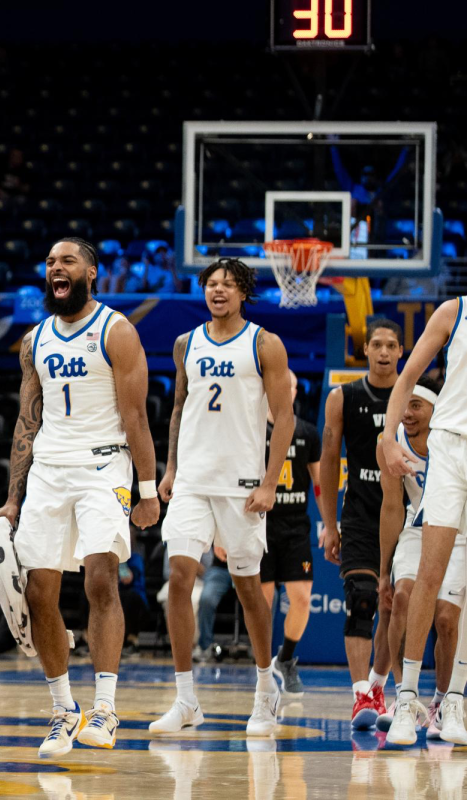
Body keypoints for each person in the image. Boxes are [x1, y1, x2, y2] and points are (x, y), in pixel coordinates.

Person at [0, 237, 161, 753]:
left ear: (91, 272)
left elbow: (136, 417)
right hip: (48, 467)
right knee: (39, 591)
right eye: (49, 262)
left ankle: (106, 708)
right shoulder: (34, 339)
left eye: (66, 261)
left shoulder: (117, 330)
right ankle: (64, 708)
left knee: (100, 579)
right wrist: (13, 499)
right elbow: (27, 421)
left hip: (104, 464)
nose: (55, 268)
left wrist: (148, 490)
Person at [151, 257, 293, 737]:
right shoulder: (184, 343)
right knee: (178, 576)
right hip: (192, 479)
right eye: (212, 284)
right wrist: (170, 469)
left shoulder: (264, 344)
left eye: (228, 285)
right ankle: (186, 699)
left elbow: (285, 417)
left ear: (243, 293)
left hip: (241, 485)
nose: (218, 291)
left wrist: (270, 481)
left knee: (248, 588)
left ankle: (263, 690)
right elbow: (178, 409)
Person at [379, 296, 467, 745]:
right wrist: (387, 438)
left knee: (457, 606)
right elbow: (408, 375)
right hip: (452, 445)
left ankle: (454, 702)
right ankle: (406, 700)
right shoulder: (454, 311)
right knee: (424, 581)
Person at [318, 319, 403, 729]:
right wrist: (328, 524)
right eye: (377, 345)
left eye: (391, 345)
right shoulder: (344, 397)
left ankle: (378, 687)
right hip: (359, 516)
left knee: (395, 604)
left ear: (402, 352)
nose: (384, 352)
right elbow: (330, 461)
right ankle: (359, 696)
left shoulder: (418, 398)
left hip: (407, 515)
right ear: (364, 350)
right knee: (363, 599)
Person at [260, 370, 321, 696]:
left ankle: (285, 659)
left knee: (300, 599)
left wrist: (331, 524)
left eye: (291, 385)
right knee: (263, 604)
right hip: (261, 525)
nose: (285, 389)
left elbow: (321, 483)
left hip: (296, 526)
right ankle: (263, 672)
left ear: (297, 391)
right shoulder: (252, 429)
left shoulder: (308, 433)